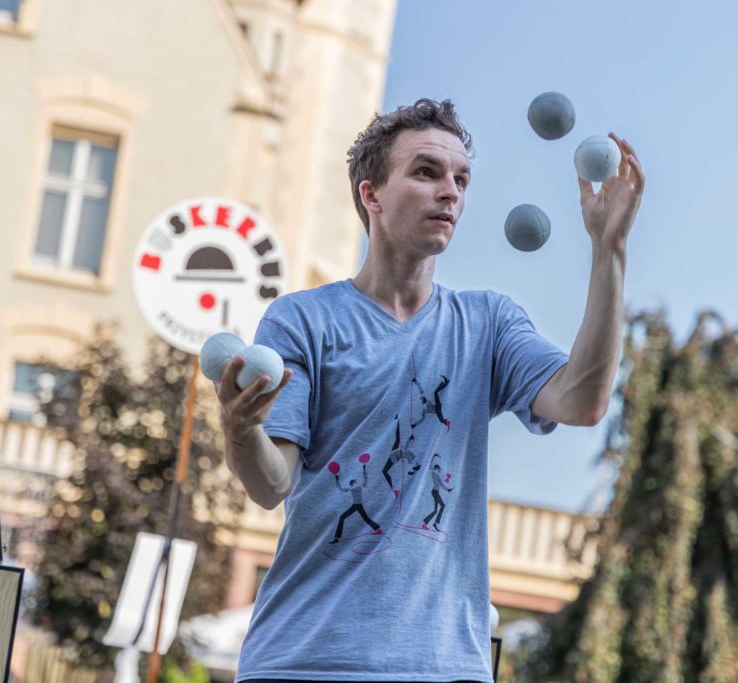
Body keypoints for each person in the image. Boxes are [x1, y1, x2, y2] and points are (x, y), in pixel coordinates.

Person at [216, 98, 644, 682]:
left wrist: (608, 250)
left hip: (444, 666)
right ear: (371, 195)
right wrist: (240, 428)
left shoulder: (488, 323)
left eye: (460, 179)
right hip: (305, 661)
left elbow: (583, 401)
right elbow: (270, 485)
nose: (451, 192)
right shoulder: (302, 320)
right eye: (426, 172)